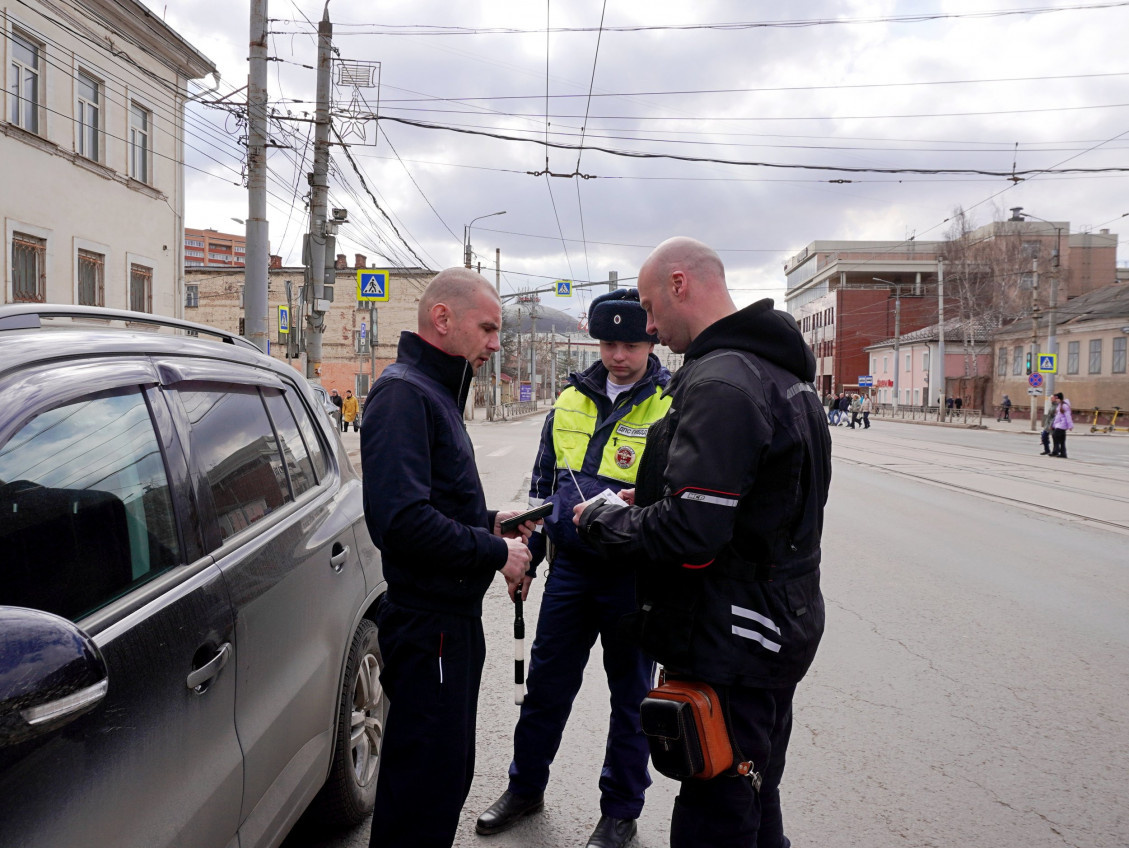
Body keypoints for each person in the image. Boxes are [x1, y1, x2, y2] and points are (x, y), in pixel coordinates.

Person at [574, 237, 831, 848]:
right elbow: (761, 506)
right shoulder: (780, 374)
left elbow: (694, 532)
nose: (650, 324)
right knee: (754, 793)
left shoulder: (722, 382)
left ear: (681, 283)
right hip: (774, 627)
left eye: (649, 304)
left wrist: (603, 523)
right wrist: (661, 502)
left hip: (729, 642)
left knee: (716, 812)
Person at [477, 289, 671, 848]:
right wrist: (527, 560)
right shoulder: (570, 401)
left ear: (650, 340)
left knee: (632, 701)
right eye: (608, 342)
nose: (617, 355)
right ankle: (525, 788)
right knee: (546, 688)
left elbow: (677, 499)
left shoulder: (669, 404)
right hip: (572, 574)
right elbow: (543, 491)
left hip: (633, 577)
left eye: (629, 344)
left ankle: (620, 812)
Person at [360, 267, 536, 848]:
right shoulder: (404, 394)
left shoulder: (433, 391)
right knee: (422, 793)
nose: (494, 343)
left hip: (449, 627)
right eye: (487, 328)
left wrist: (496, 525)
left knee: (444, 778)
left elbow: (434, 503)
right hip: (428, 625)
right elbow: (401, 521)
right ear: (443, 318)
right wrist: (496, 552)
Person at [1051, 391, 1073, 458]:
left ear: (1059, 399)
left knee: (1056, 436)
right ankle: (1060, 452)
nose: (1056, 400)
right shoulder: (1059, 405)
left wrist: (1070, 425)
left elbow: (1068, 416)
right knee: (1059, 439)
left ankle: (1058, 452)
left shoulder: (1064, 406)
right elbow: (1057, 417)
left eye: (1057, 399)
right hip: (1059, 425)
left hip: (1062, 425)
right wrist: (1053, 425)